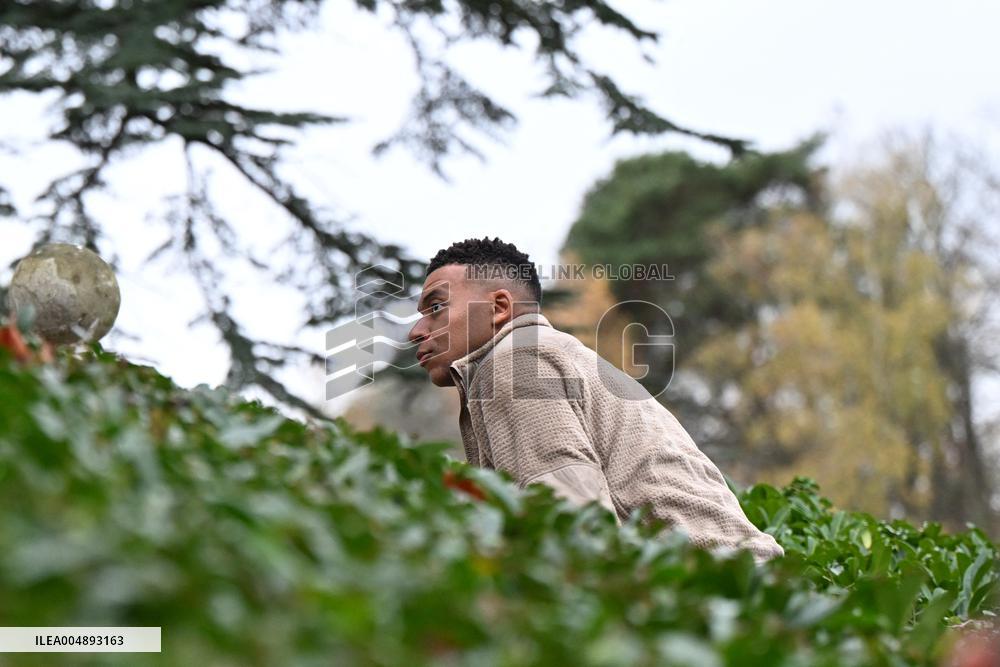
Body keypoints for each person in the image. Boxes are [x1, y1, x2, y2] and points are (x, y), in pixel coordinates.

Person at [407, 236, 784, 564]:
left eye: (436, 307)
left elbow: (575, 521)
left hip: (722, 607)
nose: (416, 331)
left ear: (499, 308)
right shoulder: (544, 355)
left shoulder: (515, 362)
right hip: (743, 592)